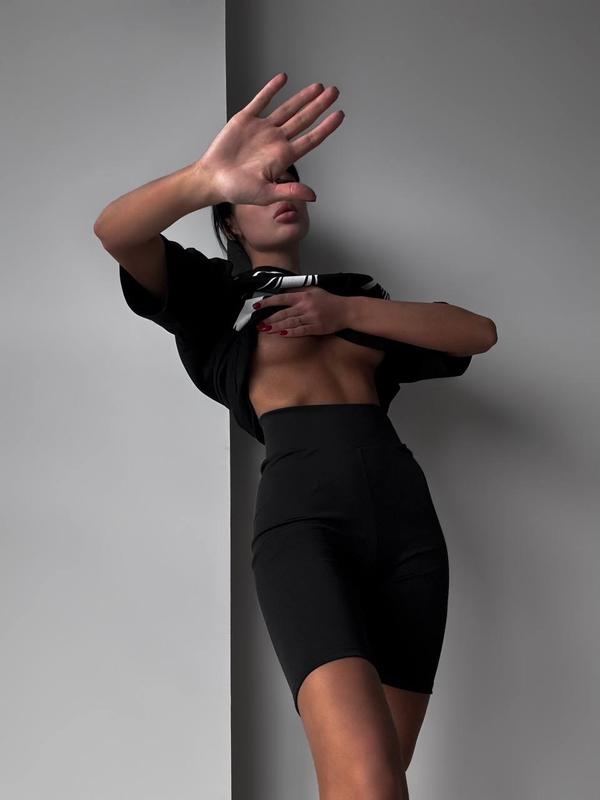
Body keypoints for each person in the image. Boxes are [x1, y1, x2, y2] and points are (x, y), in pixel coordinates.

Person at [94, 73, 497, 800]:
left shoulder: (356, 295)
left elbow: (477, 332)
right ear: (229, 221)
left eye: (287, 178)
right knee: (367, 781)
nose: (279, 190)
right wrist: (203, 179)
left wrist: (345, 313)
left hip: (409, 534)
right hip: (306, 525)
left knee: (373, 784)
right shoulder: (210, 296)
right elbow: (115, 231)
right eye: (258, 183)